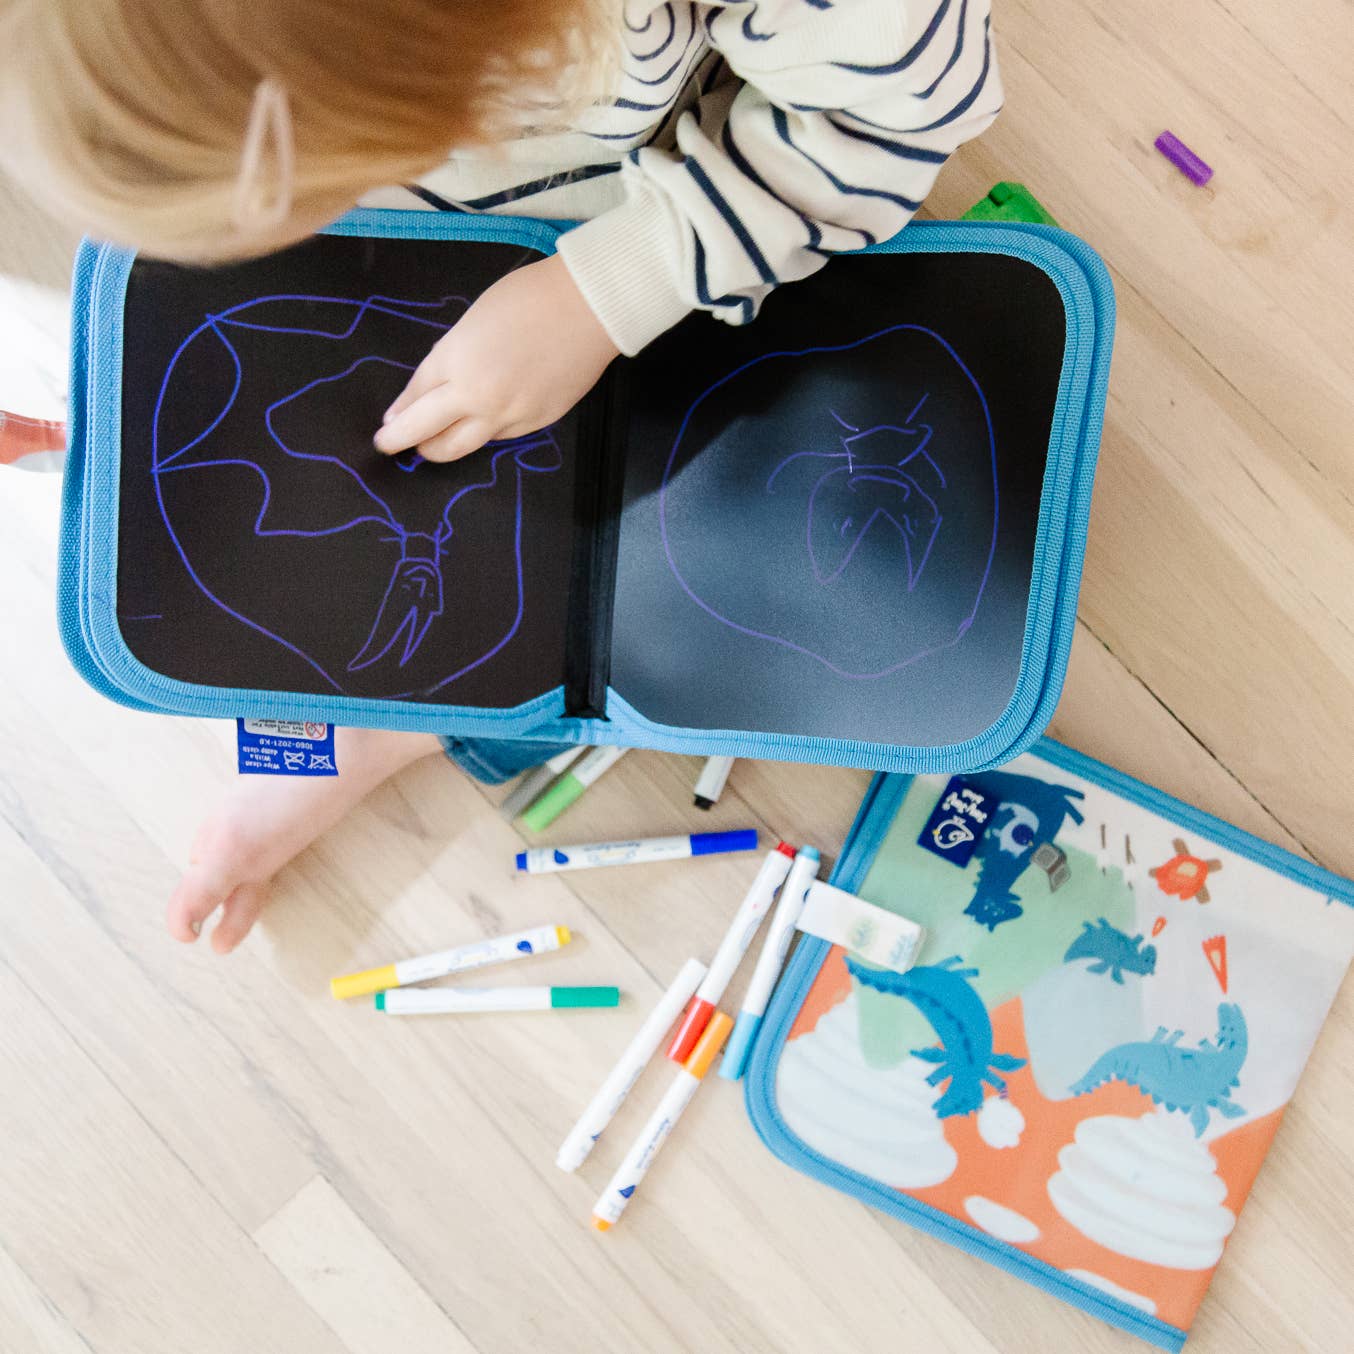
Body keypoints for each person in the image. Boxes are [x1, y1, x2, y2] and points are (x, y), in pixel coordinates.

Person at [0, 0, 1001, 952]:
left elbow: (887, 117)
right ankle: (397, 705)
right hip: (466, 231)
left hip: (686, 213)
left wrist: (608, 291)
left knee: (621, 613)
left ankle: (406, 731)